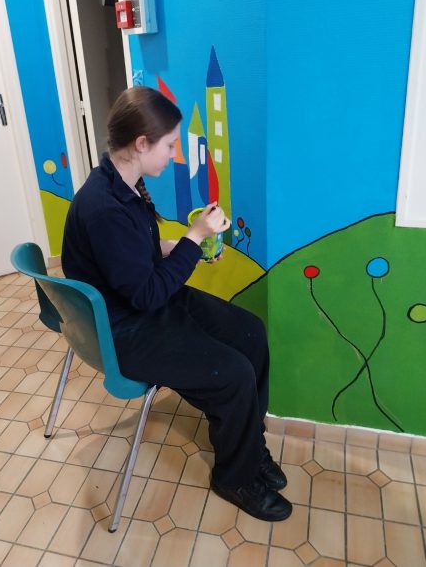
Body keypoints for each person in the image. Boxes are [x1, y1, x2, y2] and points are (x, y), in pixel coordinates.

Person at [61, 86, 292, 522]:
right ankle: (235, 477)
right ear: (141, 144)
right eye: (169, 145)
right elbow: (147, 293)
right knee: (234, 374)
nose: (175, 154)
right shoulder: (103, 207)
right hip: (126, 328)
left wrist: (175, 247)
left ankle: (249, 446)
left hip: (145, 303)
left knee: (251, 333)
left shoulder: (122, 182)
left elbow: (131, 257)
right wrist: (193, 238)